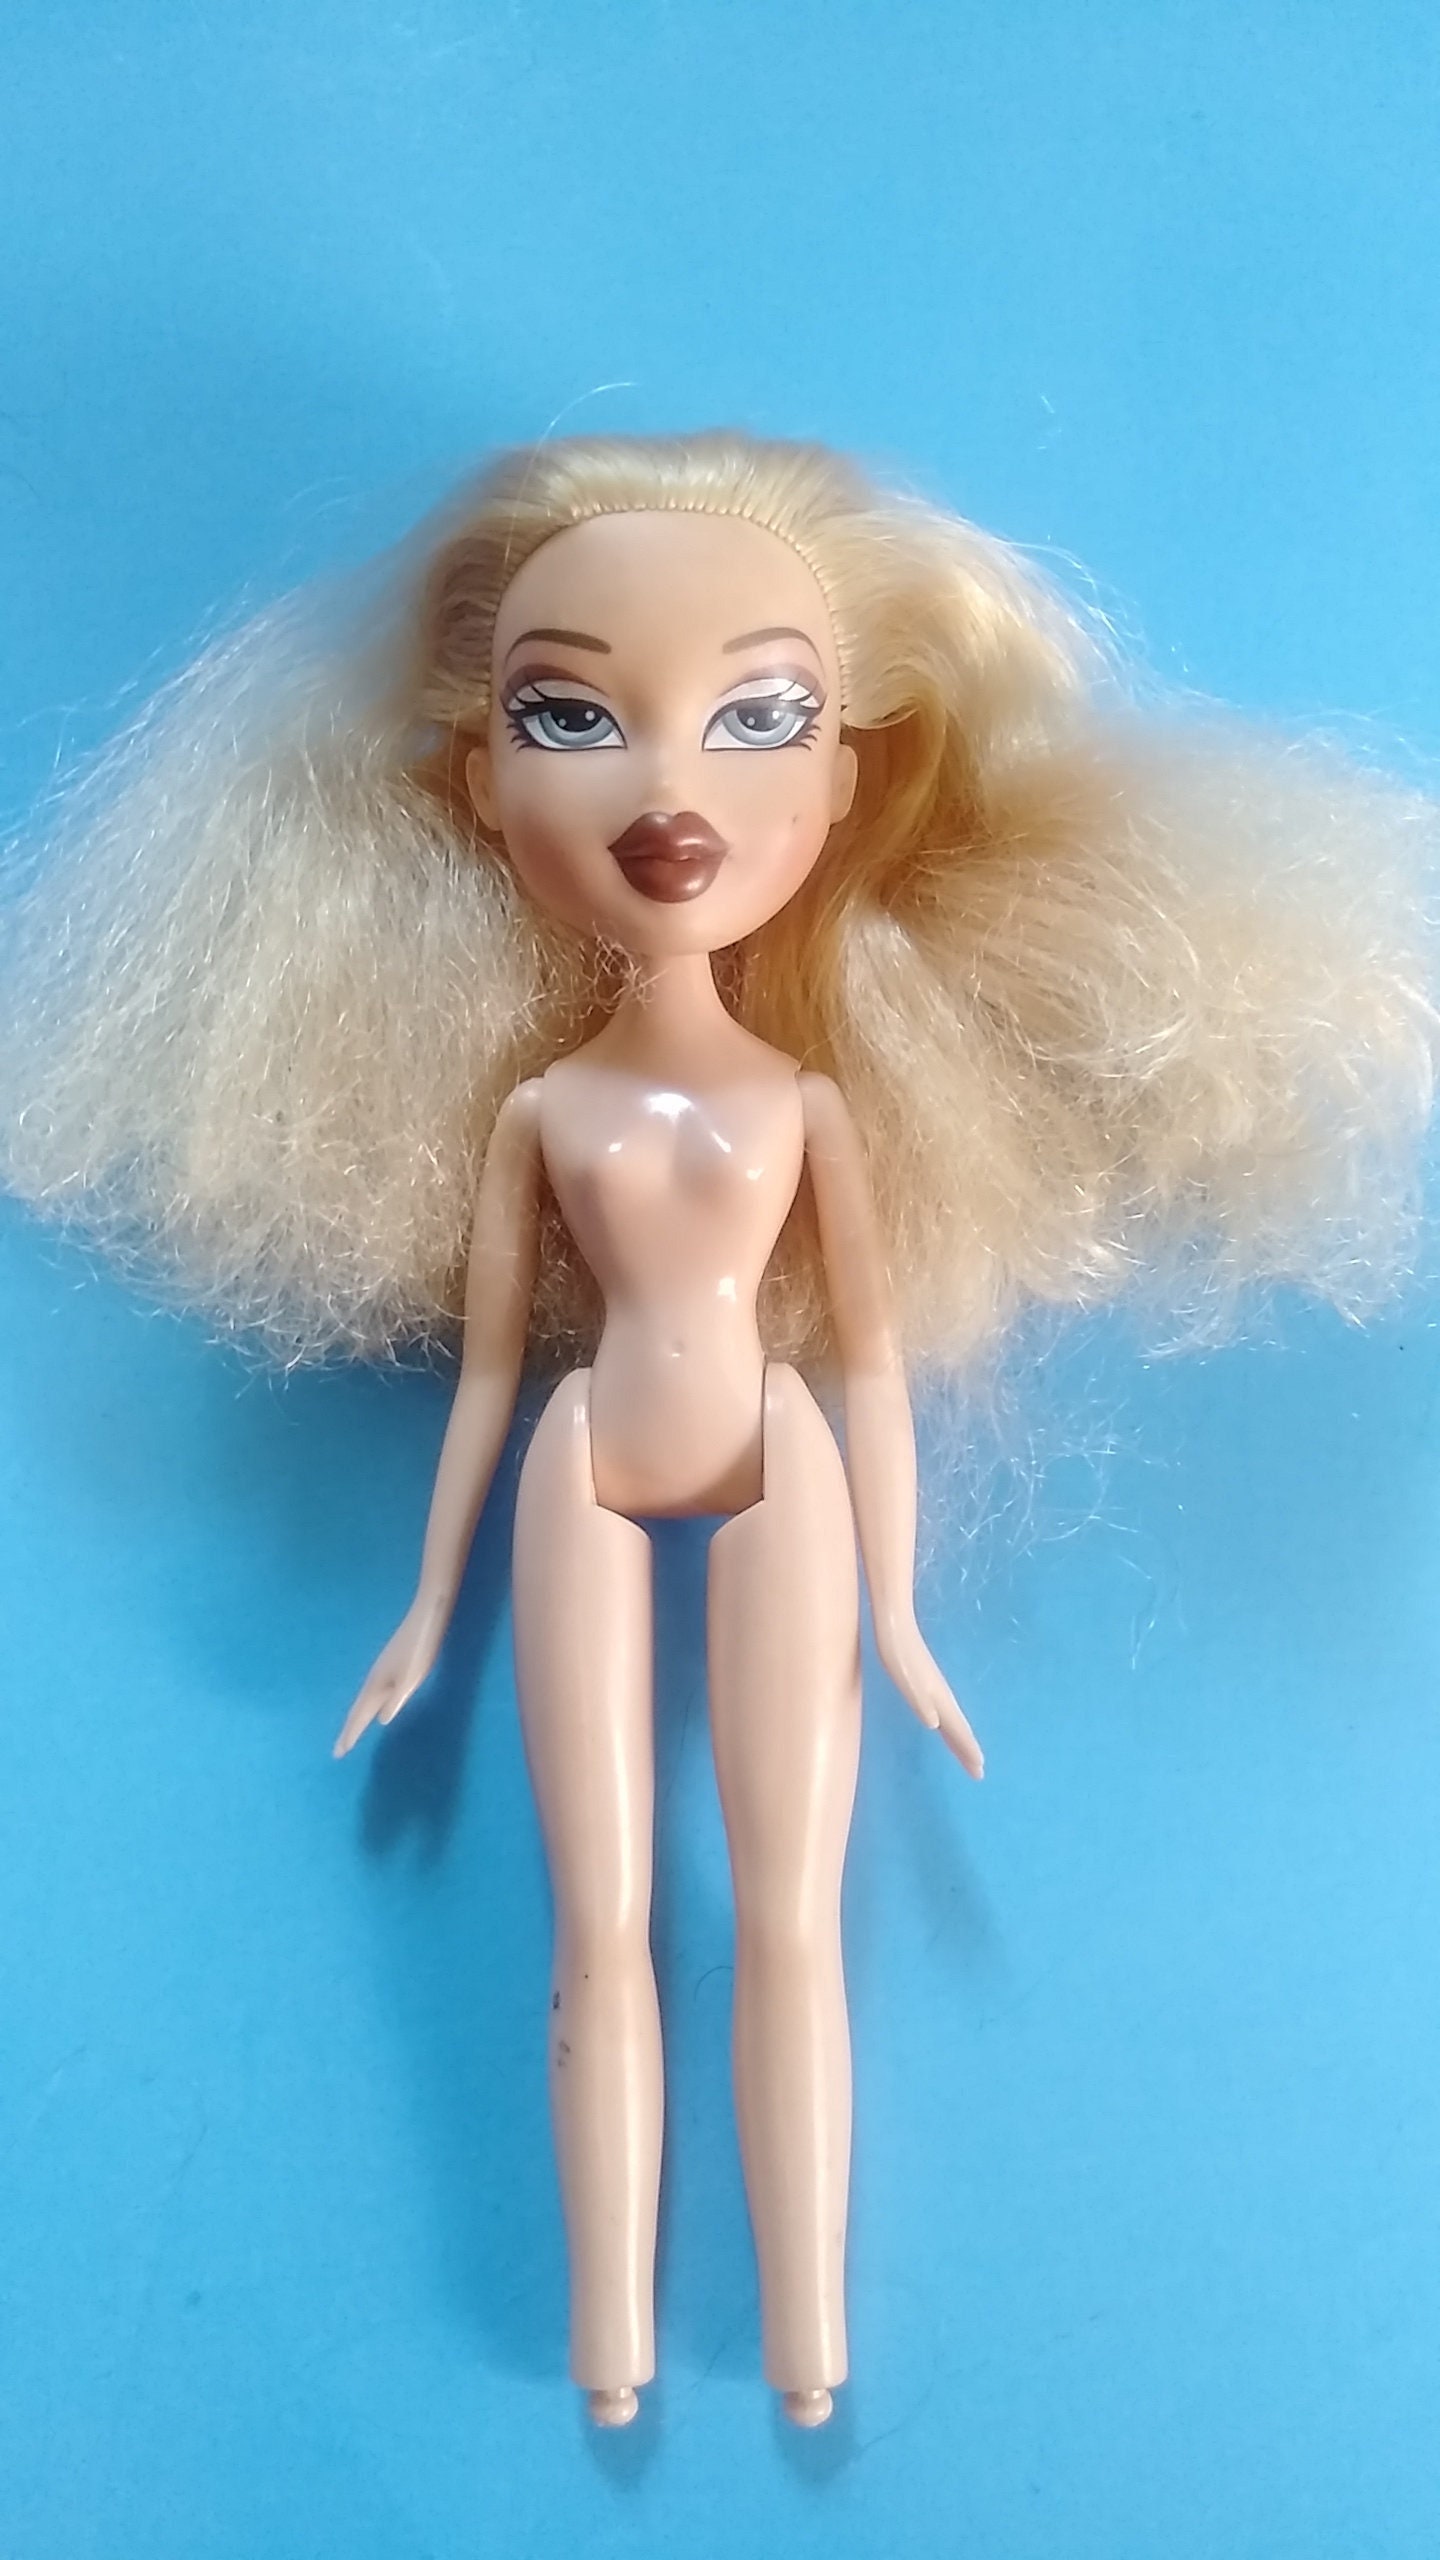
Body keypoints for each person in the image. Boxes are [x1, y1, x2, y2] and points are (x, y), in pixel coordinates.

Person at [3, 432, 1434, 2426]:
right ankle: (610, 2333)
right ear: (478, 782)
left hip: (780, 1455)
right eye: (571, 714)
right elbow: (490, 1372)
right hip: (585, 1453)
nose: (673, 790)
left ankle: (806, 2335)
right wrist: (429, 1602)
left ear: (849, 777)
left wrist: (902, 1615)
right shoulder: (540, 1110)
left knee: (787, 1916)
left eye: (760, 716)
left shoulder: (810, 1100)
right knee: (597, 1918)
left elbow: (870, 1358)